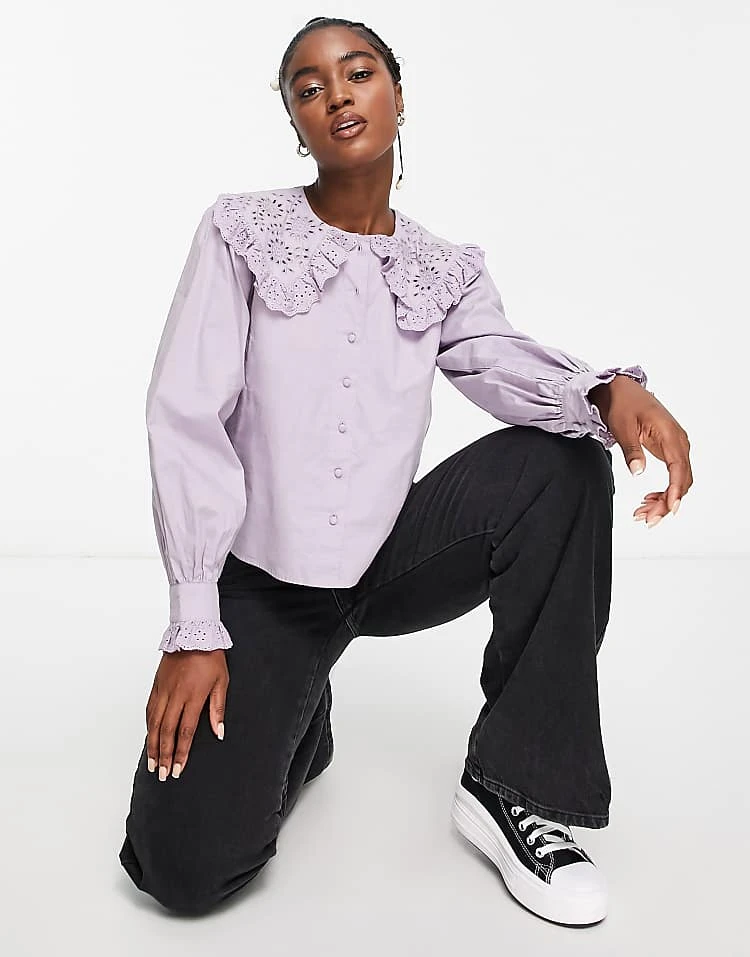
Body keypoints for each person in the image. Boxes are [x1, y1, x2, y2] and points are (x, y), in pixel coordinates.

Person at [118, 16, 692, 925]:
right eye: (309, 87)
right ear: (295, 121)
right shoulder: (241, 232)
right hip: (262, 583)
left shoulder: (441, 269)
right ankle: (301, 721)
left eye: (358, 73)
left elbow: (499, 360)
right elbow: (185, 417)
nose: (337, 94)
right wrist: (195, 624)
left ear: (397, 95)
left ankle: (514, 788)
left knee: (563, 463)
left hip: (388, 560)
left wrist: (606, 390)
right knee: (181, 872)